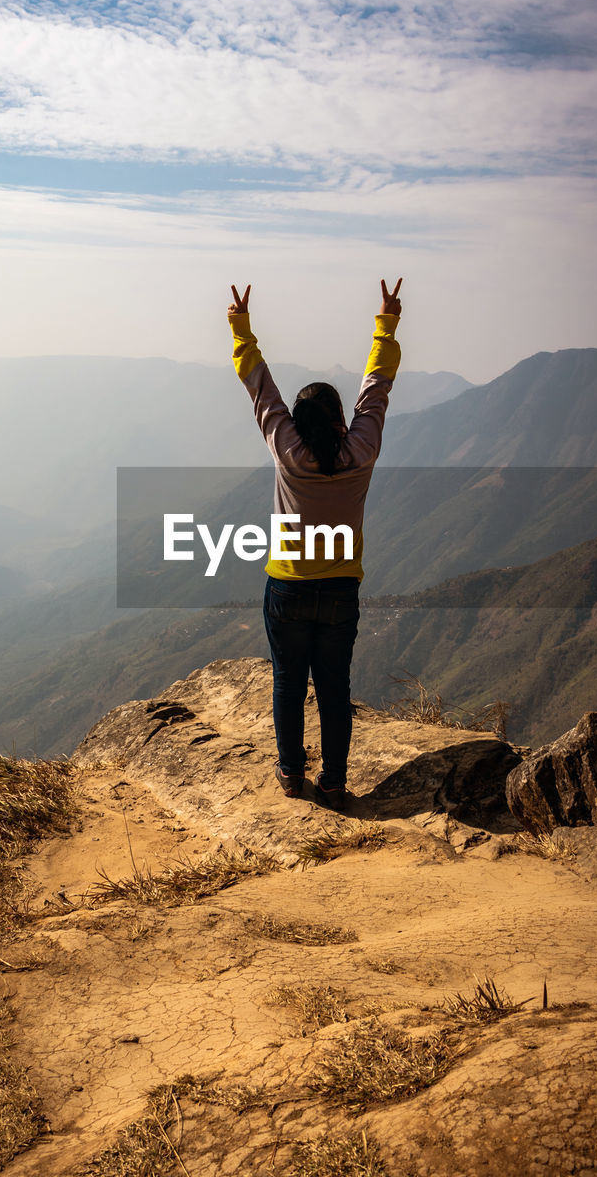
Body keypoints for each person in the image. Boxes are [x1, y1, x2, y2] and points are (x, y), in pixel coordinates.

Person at [227, 278, 403, 810]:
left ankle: (289, 774)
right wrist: (386, 322)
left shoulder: (288, 452)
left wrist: (241, 330)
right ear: (339, 420)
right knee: (333, 690)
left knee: (288, 684)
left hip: (288, 589)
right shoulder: (362, 451)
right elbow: (376, 387)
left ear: (298, 426)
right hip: (341, 590)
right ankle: (333, 782)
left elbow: (261, 389)